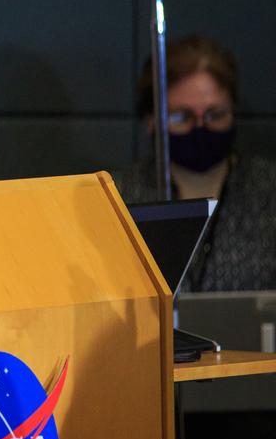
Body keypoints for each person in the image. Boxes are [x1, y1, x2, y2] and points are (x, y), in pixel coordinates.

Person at [111, 35, 276, 291]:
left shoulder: (268, 189)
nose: (201, 127)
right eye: (181, 116)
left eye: (215, 114)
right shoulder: (119, 195)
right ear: (150, 119)